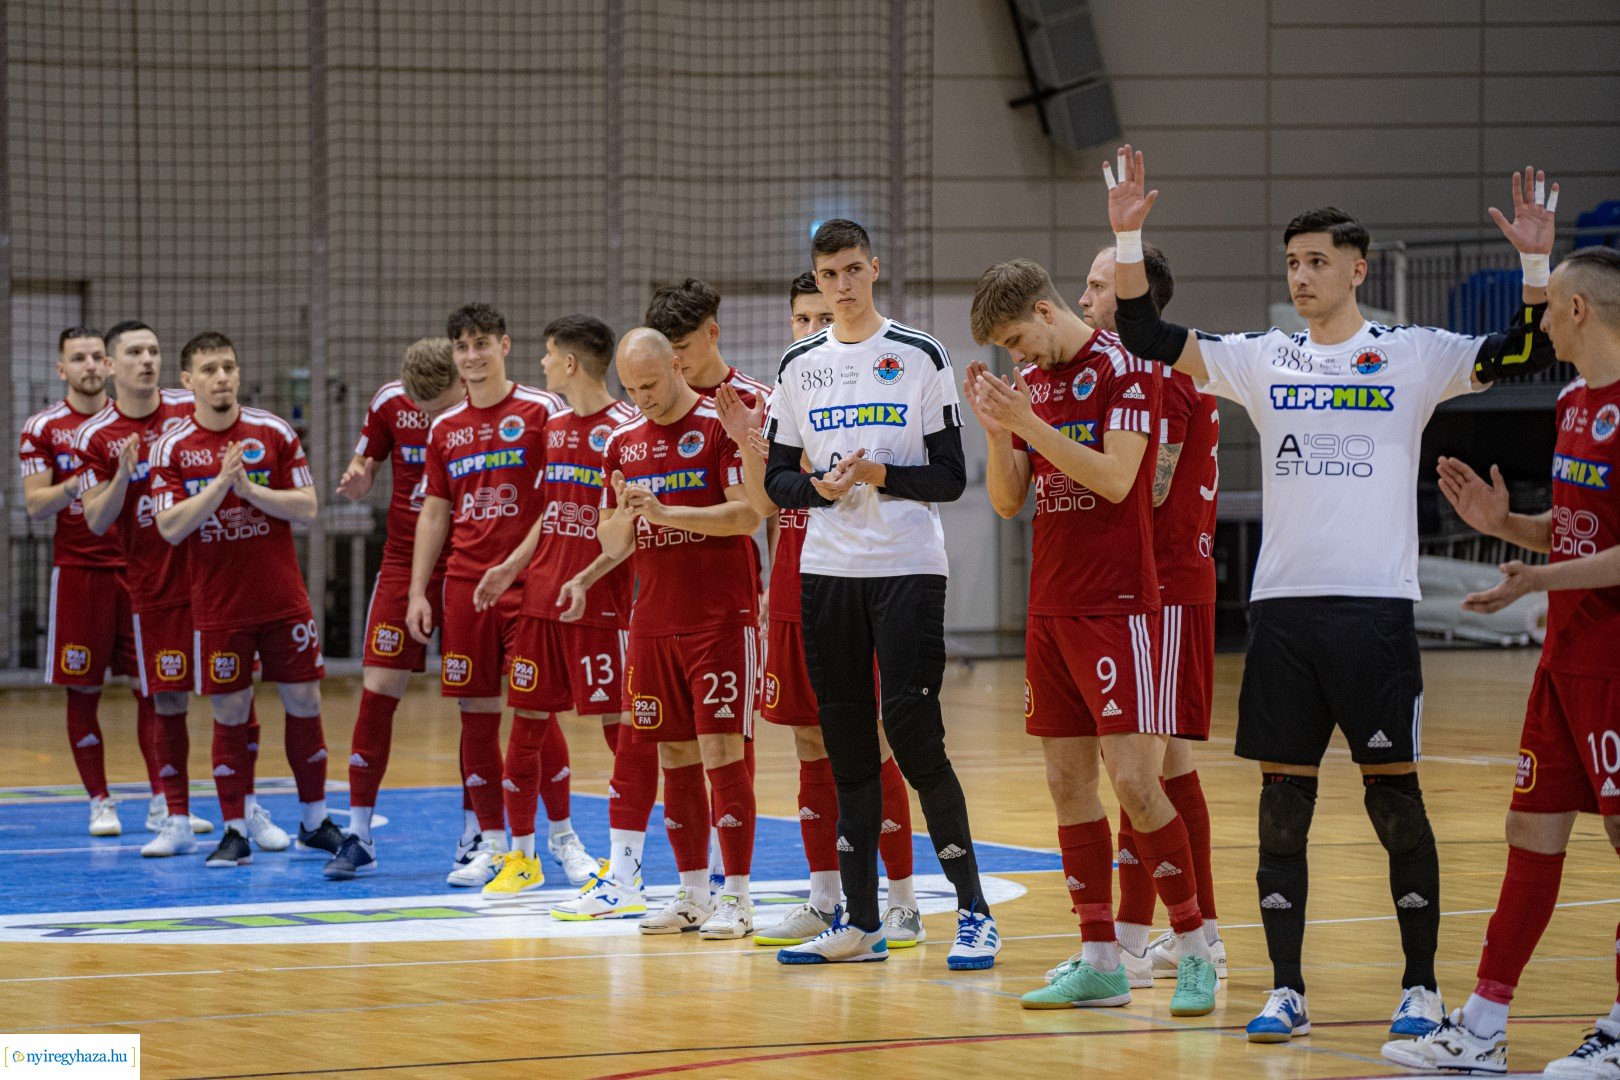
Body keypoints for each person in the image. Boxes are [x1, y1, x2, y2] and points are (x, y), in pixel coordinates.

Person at [1103, 146, 1562, 1041]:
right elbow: (1147, 336)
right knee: (1282, 809)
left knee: (1396, 803)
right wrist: (1127, 241)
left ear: (1358, 269)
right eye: (1292, 263)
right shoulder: (1263, 357)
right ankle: (1286, 990)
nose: (1301, 276)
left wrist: (1536, 265)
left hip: (1375, 612)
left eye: (1317, 261)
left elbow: (1522, 350)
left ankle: (1420, 987)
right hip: (1284, 614)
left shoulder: (1413, 354)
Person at [1383, 247, 1620, 1075]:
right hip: (1564, 659)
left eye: (1549, 308)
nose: (1541, 322)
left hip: (1615, 662)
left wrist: (1538, 580)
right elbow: (1578, 527)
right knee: (1530, 830)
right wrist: (1506, 525)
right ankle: (1482, 1027)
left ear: (1580, 310)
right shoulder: (1572, 402)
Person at [964, 257, 1218, 1014]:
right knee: (1065, 783)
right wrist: (998, 435)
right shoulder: (1030, 383)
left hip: (1118, 604)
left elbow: (1117, 478)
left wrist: (1028, 424)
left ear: (1045, 312)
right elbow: (1008, 503)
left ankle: (1196, 948)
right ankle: (1102, 958)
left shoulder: (1126, 367)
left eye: (1018, 338)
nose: (1017, 356)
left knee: (1137, 782)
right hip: (1050, 605)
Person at [764, 218, 998, 969]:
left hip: (906, 569)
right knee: (848, 750)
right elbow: (776, 478)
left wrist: (878, 475)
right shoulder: (798, 364)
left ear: (873, 268)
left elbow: (950, 477)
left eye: (853, 270)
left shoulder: (920, 354)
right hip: (827, 574)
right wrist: (820, 489)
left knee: (916, 738)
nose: (842, 285)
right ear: (817, 279)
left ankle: (973, 912)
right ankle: (862, 924)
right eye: (828, 275)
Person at [714, 273, 921, 948]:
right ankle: (826, 897)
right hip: (796, 591)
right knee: (808, 742)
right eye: (801, 319)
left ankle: (902, 901)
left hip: (862, 583)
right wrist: (748, 443)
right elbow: (764, 506)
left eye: (820, 318)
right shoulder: (784, 396)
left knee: (874, 742)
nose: (809, 330)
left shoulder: (875, 390)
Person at [1073, 248, 1227, 984]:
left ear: (1137, 295)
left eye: (1097, 286)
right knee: (1166, 765)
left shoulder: (1155, 374)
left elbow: (1146, 486)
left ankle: (1132, 940)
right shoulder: (1172, 369)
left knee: (1134, 769)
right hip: (1171, 583)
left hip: (1160, 587)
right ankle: (1205, 932)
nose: (1083, 298)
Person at [589, 327, 762, 939]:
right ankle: (692, 895)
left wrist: (666, 512)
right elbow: (611, 542)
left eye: (650, 385)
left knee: (722, 752)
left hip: (720, 618)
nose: (641, 399)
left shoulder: (718, 425)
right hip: (653, 622)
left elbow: (747, 515)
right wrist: (623, 516)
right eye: (631, 388)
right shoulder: (621, 441)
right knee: (675, 755)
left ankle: (737, 896)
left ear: (677, 367)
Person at [151, 332, 338, 868]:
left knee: (305, 701)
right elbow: (169, 526)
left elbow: (307, 507)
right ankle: (235, 829)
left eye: (229, 367)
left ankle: (315, 821)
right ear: (188, 381)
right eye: (209, 369)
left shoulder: (272, 431)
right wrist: (219, 486)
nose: (222, 378)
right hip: (219, 606)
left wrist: (252, 492)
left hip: (282, 599)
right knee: (230, 710)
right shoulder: (172, 447)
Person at [470, 316, 636, 896]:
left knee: (622, 735)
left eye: (547, 354)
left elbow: (629, 530)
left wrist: (588, 578)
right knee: (526, 729)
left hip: (602, 606)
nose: (540, 363)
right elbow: (550, 510)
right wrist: (511, 567)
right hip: (541, 598)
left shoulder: (624, 431)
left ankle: (625, 861)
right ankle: (522, 858)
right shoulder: (555, 426)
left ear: (570, 363)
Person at [406, 304, 566, 888]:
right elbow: (435, 512)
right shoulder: (444, 428)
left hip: (530, 585)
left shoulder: (542, 410)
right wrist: (418, 591)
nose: (472, 355)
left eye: (481, 344)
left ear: (504, 345)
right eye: (462, 347)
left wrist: (521, 563)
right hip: (465, 588)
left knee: (534, 710)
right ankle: (494, 846)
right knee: (475, 714)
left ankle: (561, 839)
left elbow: (561, 496)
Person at [323, 338, 465, 880]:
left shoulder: (489, 411)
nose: (429, 416)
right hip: (404, 563)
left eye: (438, 406)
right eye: (420, 408)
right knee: (378, 691)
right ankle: (358, 835)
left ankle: (479, 835)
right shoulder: (389, 402)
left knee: (477, 702)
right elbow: (365, 459)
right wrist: (360, 475)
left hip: (469, 564)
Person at [76, 320, 215, 855]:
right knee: (163, 693)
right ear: (112, 365)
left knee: (234, 692)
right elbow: (95, 519)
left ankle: (242, 809)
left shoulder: (188, 409)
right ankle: (168, 807)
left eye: (154, 351)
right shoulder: (95, 436)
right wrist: (122, 475)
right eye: (135, 352)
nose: (148, 360)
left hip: (210, 574)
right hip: (153, 583)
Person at [19, 327, 156, 836]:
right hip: (79, 572)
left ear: (111, 364)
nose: (91, 366)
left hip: (139, 571)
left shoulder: (136, 421)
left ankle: (165, 801)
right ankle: (100, 801)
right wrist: (87, 477)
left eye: (98, 356)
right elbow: (36, 505)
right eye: (79, 359)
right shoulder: (44, 427)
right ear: (62, 369)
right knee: (83, 690)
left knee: (154, 690)